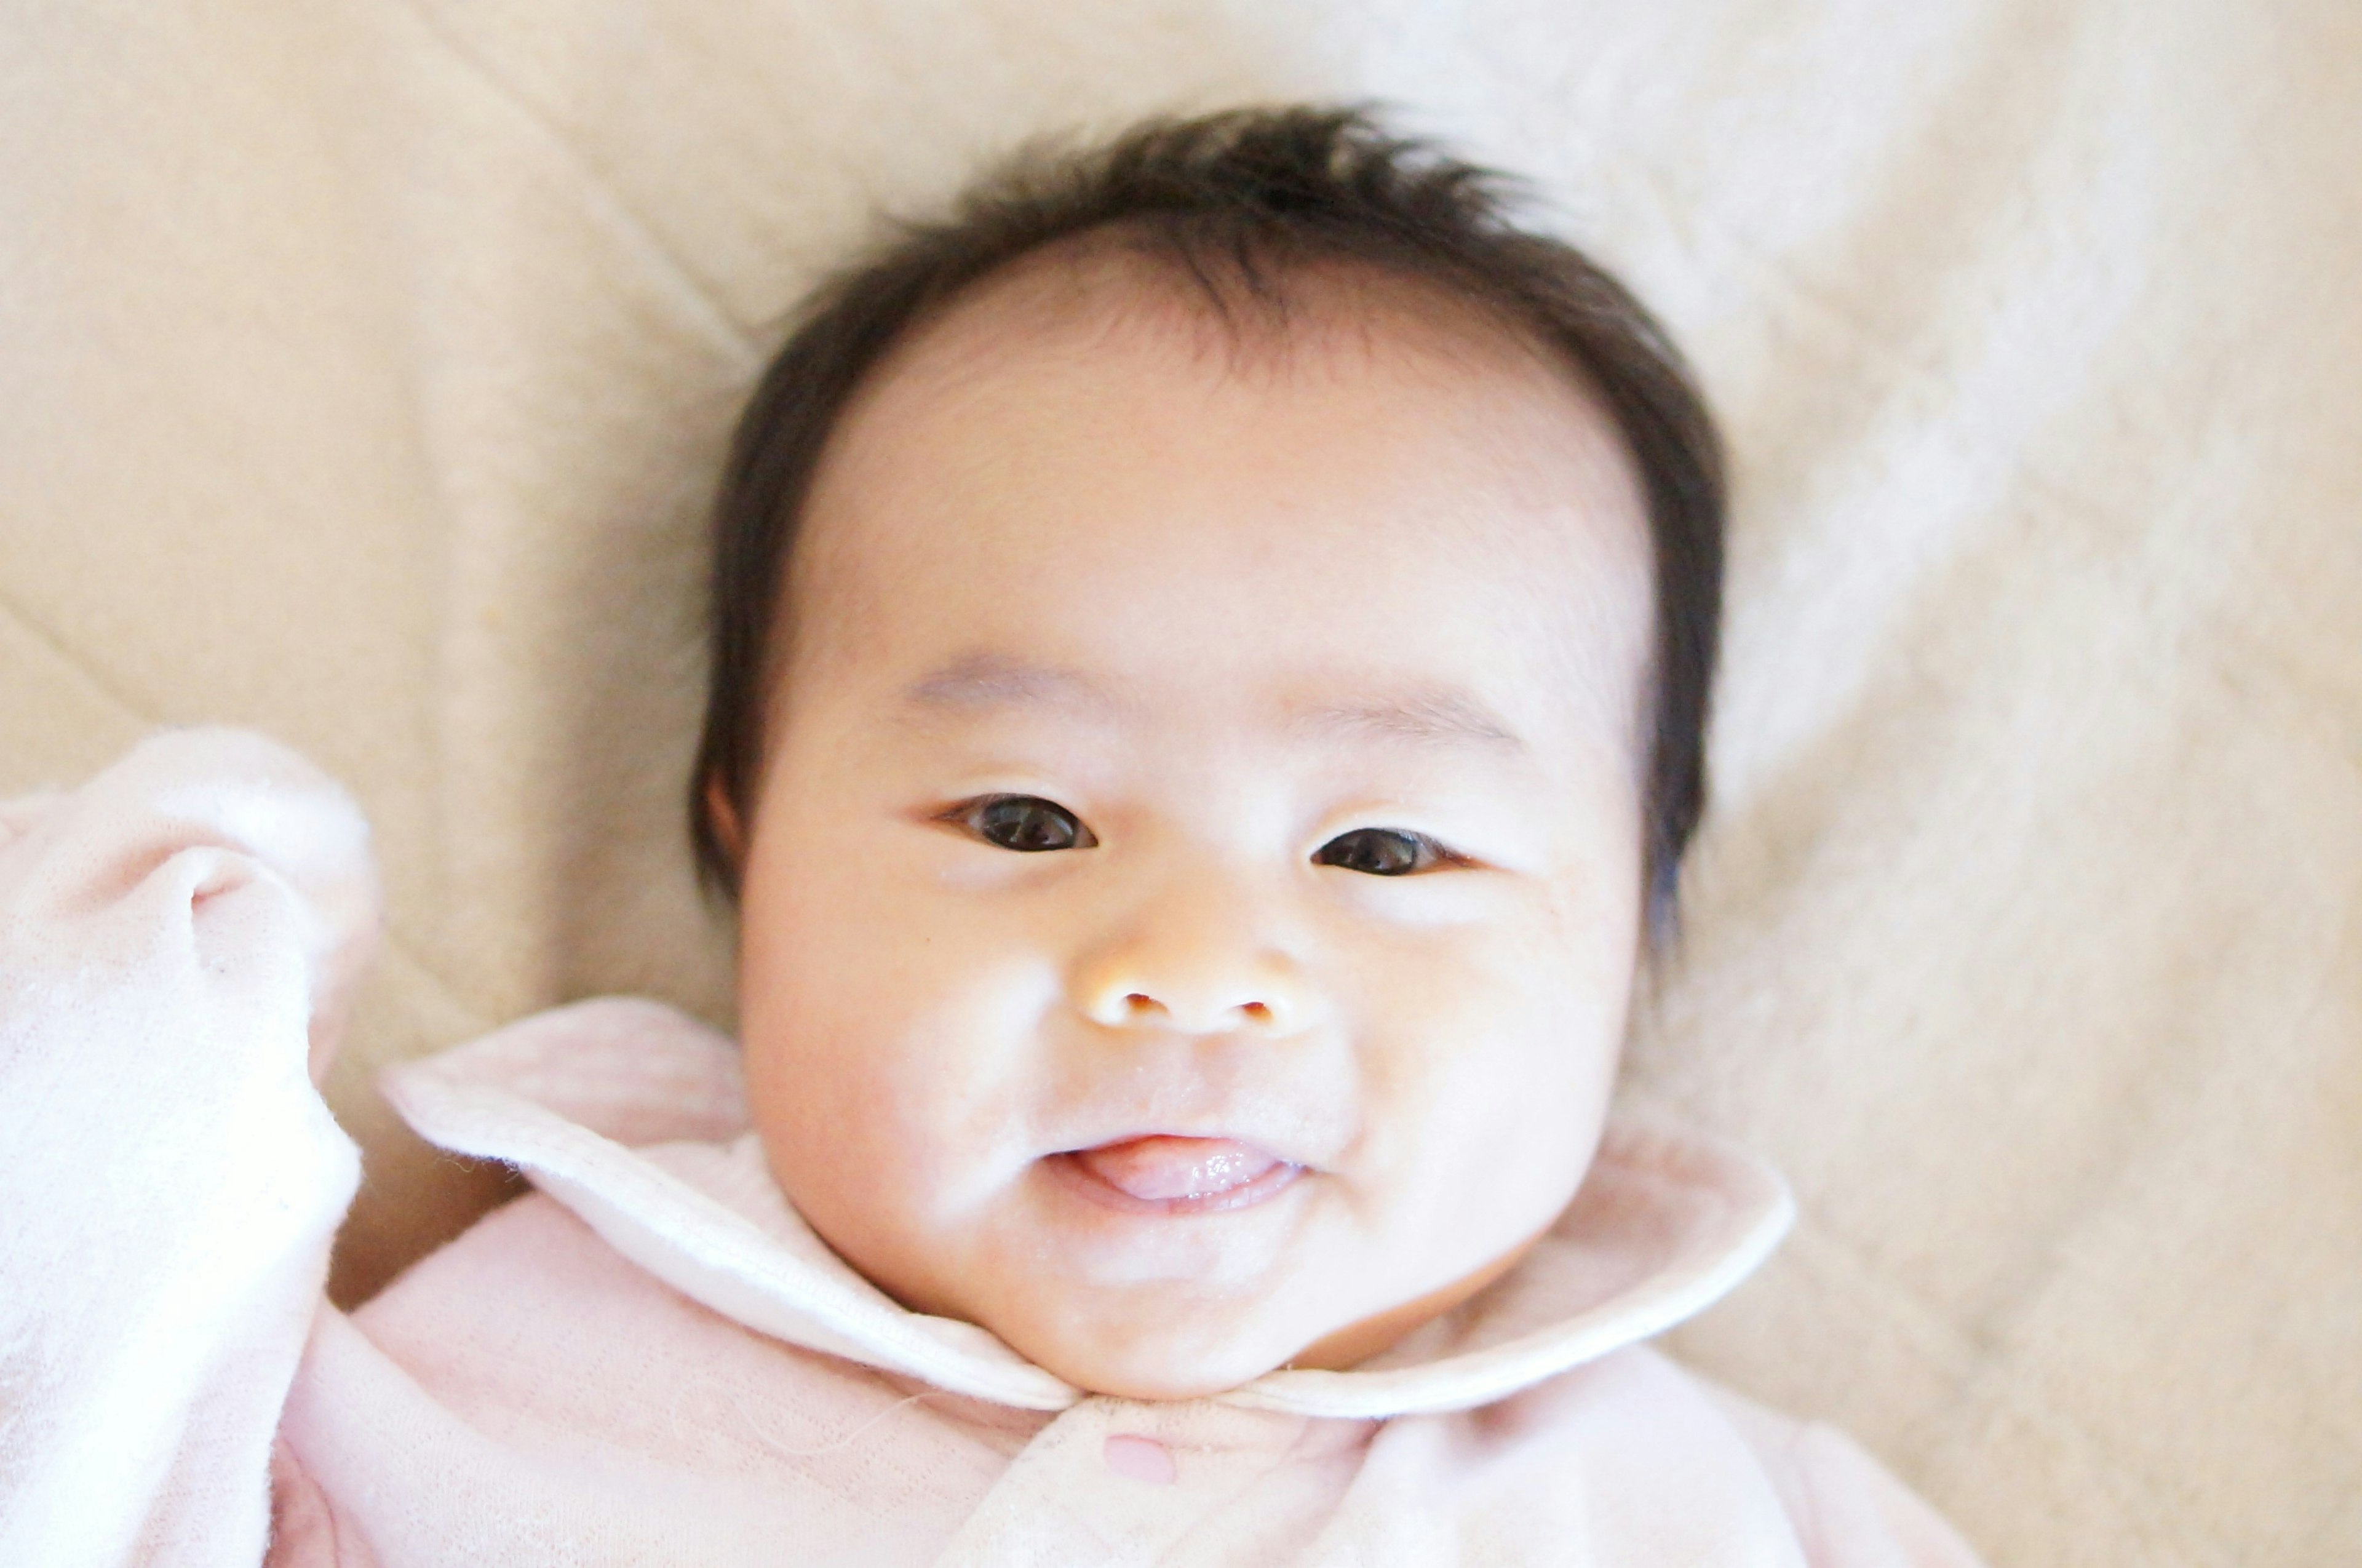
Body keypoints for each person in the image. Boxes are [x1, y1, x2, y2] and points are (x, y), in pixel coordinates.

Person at [0, 106, 1986, 1564]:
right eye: (1027, 818)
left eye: (1385, 854)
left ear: (1634, 937)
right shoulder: (468, 1364)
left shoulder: (1734, 1521)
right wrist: (136, 1063)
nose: (1197, 963)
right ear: (753, 856)